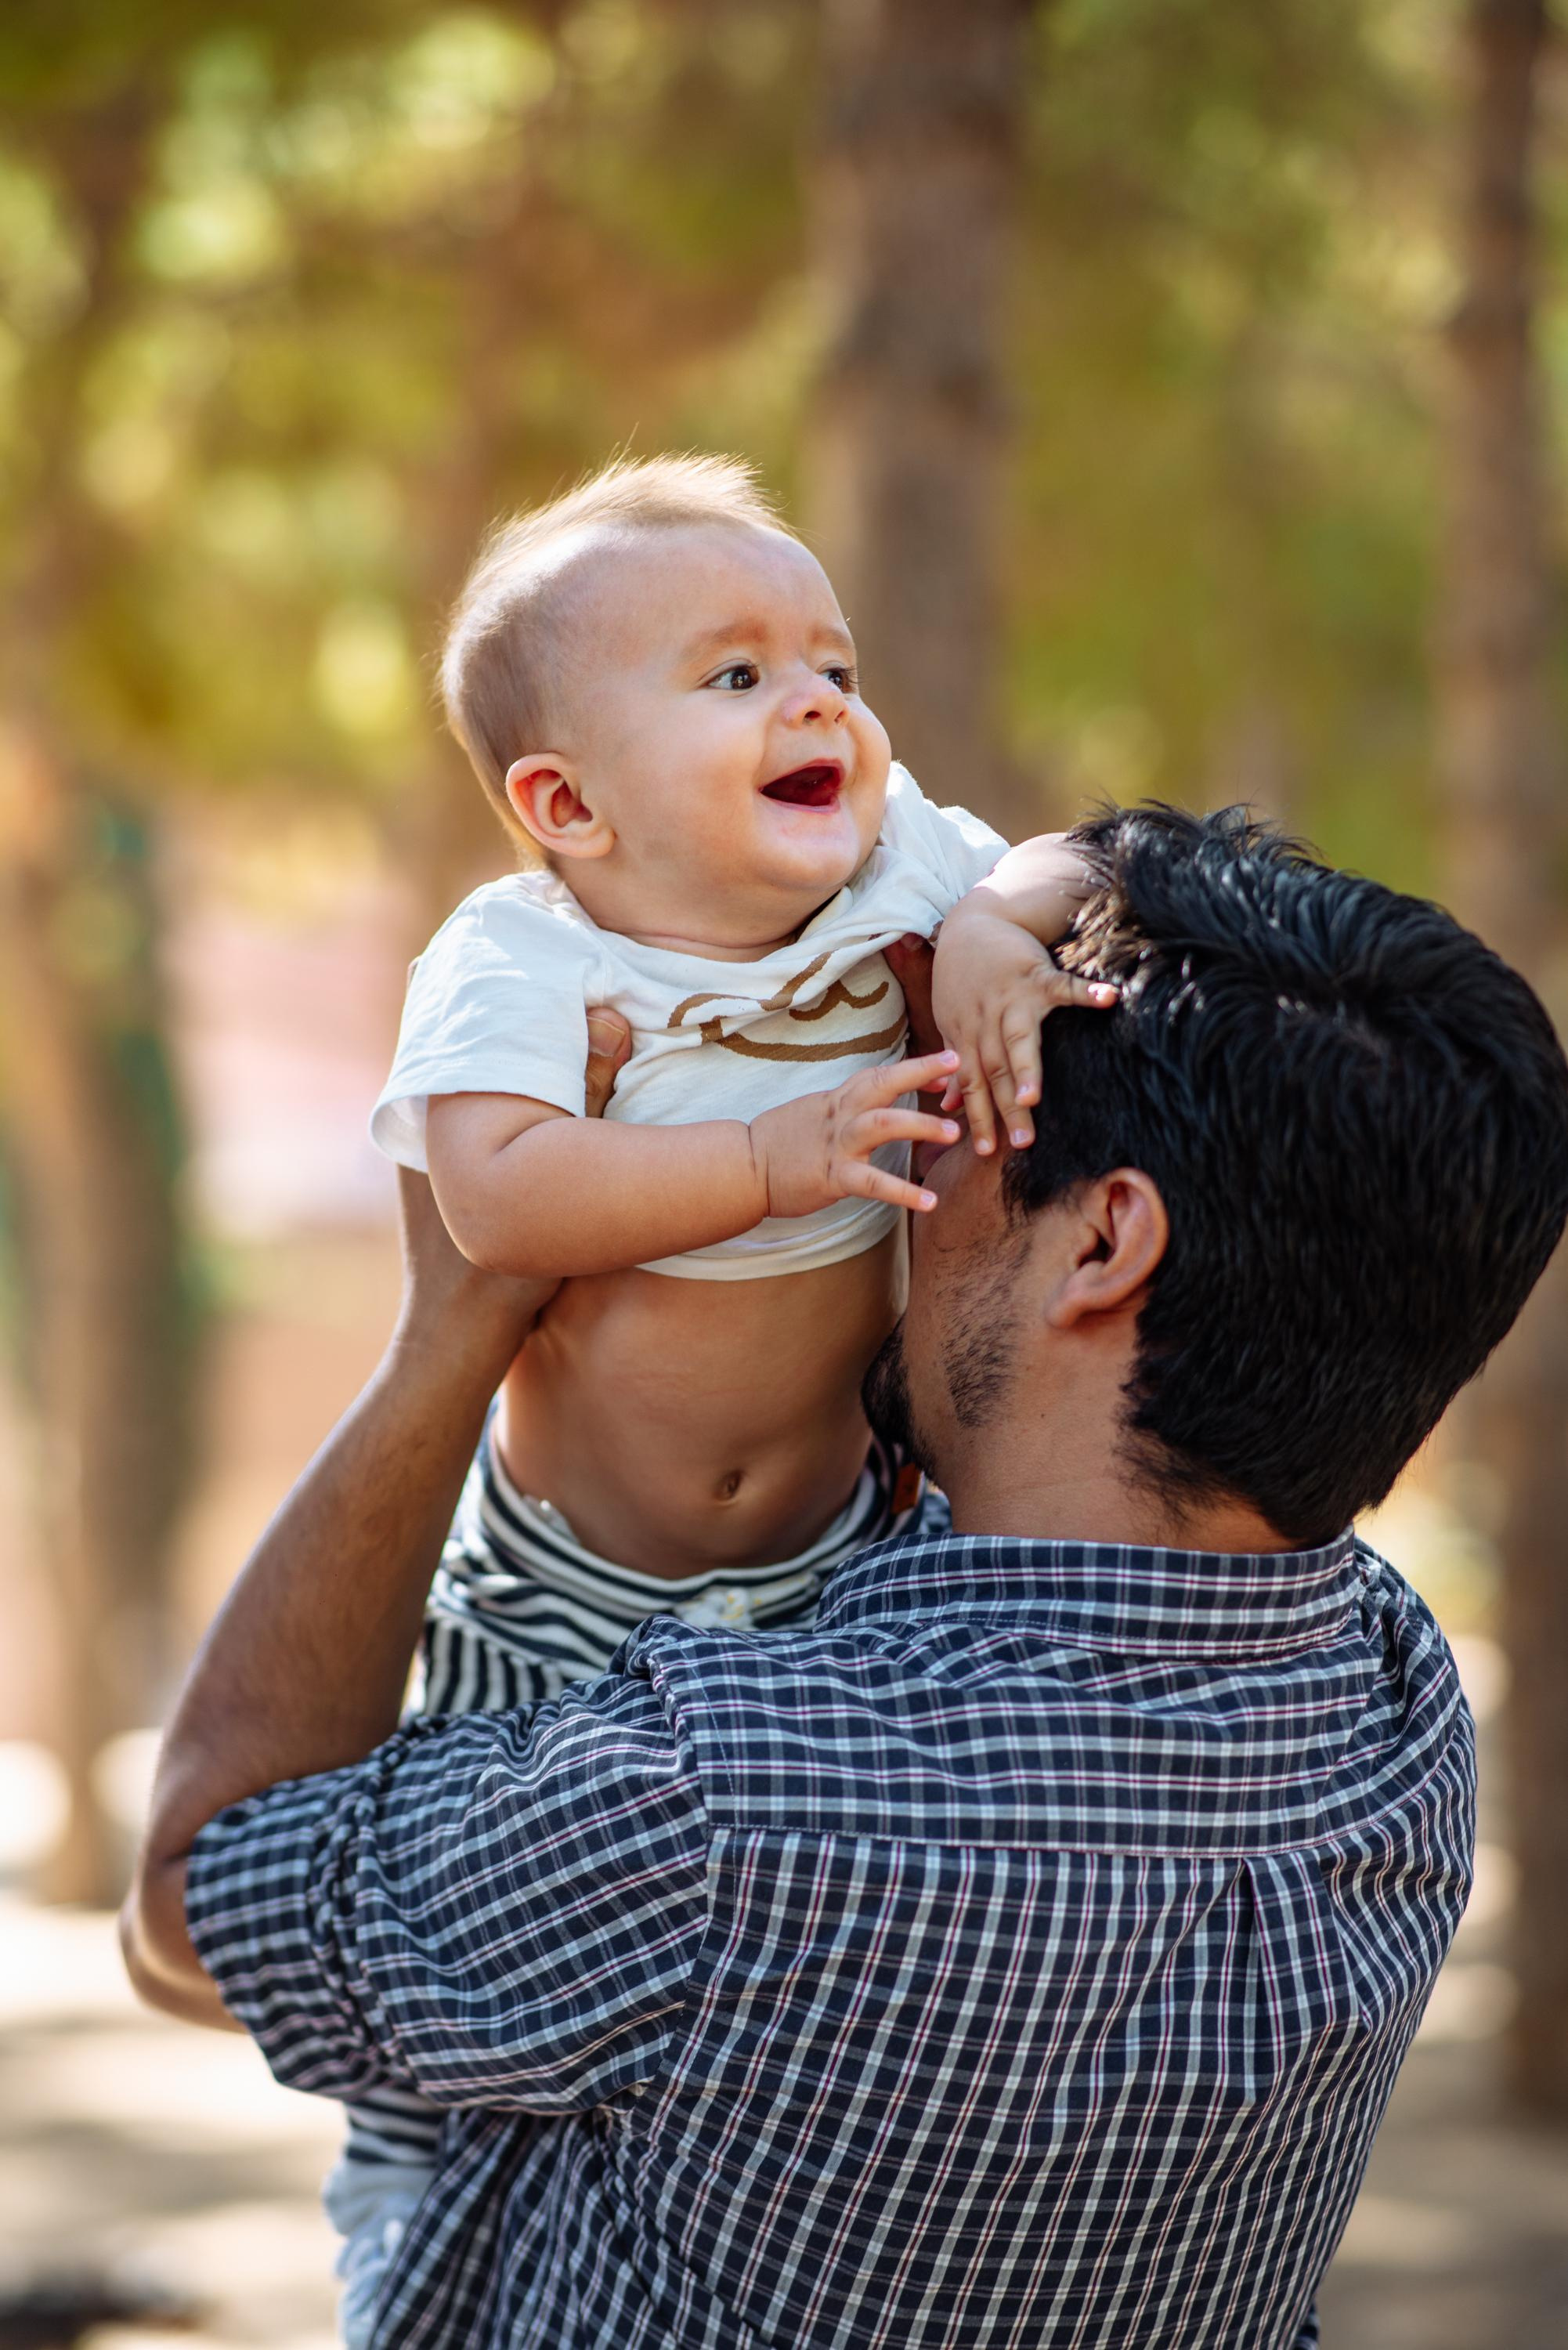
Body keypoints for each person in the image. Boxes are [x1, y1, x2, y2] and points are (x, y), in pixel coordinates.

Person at [124, 802, 1568, 2350]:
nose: (913, 1142)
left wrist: (446, 1341)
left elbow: (195, 1908)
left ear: (1103, 1246)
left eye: (958, 1098)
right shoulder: (1392, 1708)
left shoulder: (725, 1802)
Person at [322, 451, 1112, 2332]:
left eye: (826, 660)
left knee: (751, 1963)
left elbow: (1095, 855)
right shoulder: (519, 954)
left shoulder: (896, 867)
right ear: (561, 805)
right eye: (735, 676)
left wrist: (999, 928)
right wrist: (766, 1160)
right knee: (462, 1951)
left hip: (830, 1567)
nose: (816, 700)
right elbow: (499, 1190)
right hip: (562, 1596)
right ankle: (407, 2206)